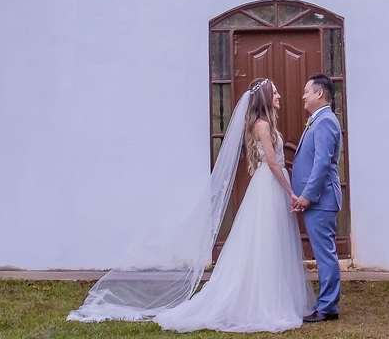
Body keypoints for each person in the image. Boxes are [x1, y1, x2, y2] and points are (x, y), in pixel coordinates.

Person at [68, 78, 312, 332]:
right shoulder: (262, 125)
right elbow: (272, 163)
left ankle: (275, 296)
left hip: (271, 185)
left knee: (273, 240)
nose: (279, 96)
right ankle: (262, 301)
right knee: (264, 240)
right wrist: (291, 192)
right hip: (269, 185)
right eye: (274, 93)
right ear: (264, 97)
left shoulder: (266, 123)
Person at [291, 74, 342, 322]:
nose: (303, 96)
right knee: (323, 254)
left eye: (306, 91)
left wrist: (307, 196)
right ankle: (326, 304)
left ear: (319, 93)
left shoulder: (325, 121)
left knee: (325, 255)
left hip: (321, 200)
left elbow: (322, 163)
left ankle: (328, 307)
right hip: (317, 201)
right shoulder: (319, 120)